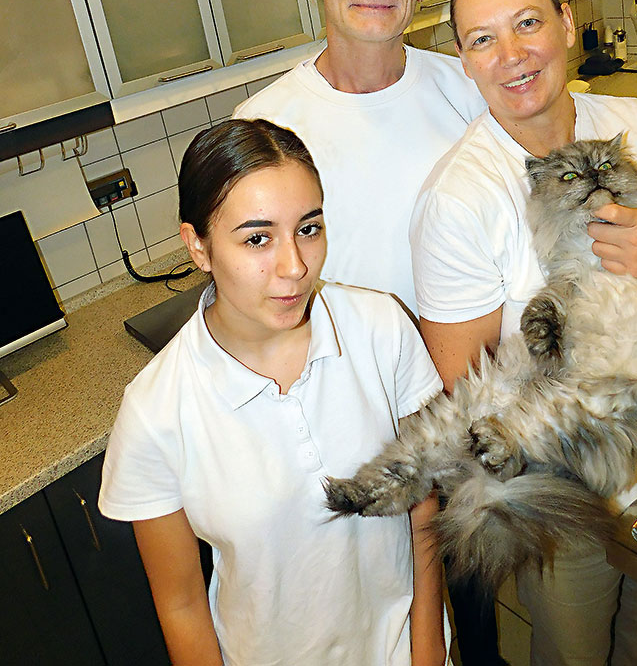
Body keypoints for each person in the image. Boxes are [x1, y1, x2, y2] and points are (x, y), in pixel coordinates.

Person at [410, 0, 637, 666]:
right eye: (482, 38)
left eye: (527, 23)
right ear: (463, 60)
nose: (512, 54)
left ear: (565, 21)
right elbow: (470, 394)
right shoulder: (459, 200)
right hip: (562, 505)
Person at [233, 0, 501, 665]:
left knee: (472, 607)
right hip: (343, 421)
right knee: (375, 615)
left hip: (464, 405)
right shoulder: (264, 123)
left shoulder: (466, 91)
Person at [98, 119, 448, 666]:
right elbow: (182, 604)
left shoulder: (381, 329)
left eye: (308, 228)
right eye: (257, 238)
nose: (295, 266)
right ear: (199, 246)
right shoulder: (156, 411)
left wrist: (429, 652)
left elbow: (423, 511)